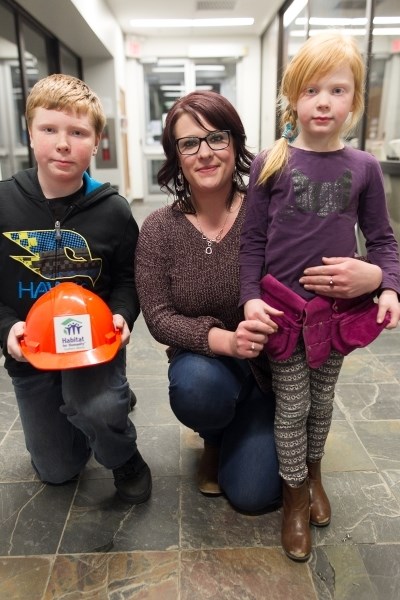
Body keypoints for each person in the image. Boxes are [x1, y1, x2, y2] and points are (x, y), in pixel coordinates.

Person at [134, 89, 385, 516]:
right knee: (197, 389)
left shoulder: (270, 204)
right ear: (175, 156)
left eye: (217, 138)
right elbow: (158, 317)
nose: (205, 153)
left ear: (235, 143)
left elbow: (325, 249)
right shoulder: (160, 228)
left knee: (254, 496)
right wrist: (227, 342)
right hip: (210, 363)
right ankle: (214, 437)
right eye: (189, 143)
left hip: (278, 363)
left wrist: (374, 276)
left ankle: (249, 430)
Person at [239, 33, 400, 561]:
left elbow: (382, 240)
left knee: (323, 402)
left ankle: (313, 476)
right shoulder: (271, 162)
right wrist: (248, 299)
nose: (324, 101)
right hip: (283, 312)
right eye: (312, 90)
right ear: (293, 98)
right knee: (293, 405)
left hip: (336, 315)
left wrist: (386, 282)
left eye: (338, 89)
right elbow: (253, 244)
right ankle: (292, 499)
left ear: (354, 100)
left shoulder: (366, 168)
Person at [0, 74, 151, 504]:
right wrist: (6, 328)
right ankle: (96, 412)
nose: (63, 144)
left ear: (97, 140)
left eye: (78, 132)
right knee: (58, 470)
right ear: (30, 133)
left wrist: (122, 313)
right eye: (49, 129)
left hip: (92, 347)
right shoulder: (4, 204)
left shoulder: (114, 210)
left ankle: (122, 452)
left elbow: (126, 278)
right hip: (31, 352)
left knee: (96, 408)